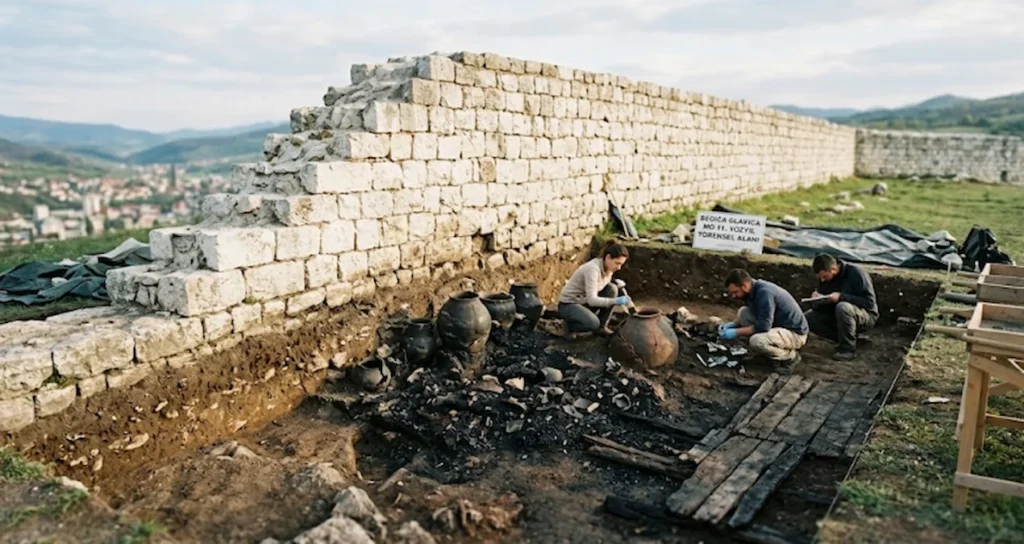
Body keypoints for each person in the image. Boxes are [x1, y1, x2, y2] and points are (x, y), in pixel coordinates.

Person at [719, 269, 808, 369]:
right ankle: (765, 349)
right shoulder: (753, 290)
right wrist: (734, 324)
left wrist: (736, 332)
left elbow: (763, 326)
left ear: (744, 286)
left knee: (757, 341)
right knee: (743, 312)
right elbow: (759, 316)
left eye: (735, 292)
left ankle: (790, 356)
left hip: (795, 334)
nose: (734, 296)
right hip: (776, 324)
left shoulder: (764, 293)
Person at [804, 253, 878, 361]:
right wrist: (817, 300)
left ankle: (847, 349)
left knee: (843, 307)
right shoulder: (825, 279)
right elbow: (821, 309)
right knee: (807, 318)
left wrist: (841, 297)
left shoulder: (856, 273)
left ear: (833, 269)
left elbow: (869, 303)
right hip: (836, 314)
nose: (823, 280)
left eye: (825, 276)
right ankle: (848, 339)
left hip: (864, 315)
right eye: (820, 277)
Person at [558, 241, 633, 336]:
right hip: (569, 304)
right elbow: (592, 300)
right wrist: (615, 301)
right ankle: (566, 326)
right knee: (593, 323)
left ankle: (602, 327)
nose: (619, 268)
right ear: (608, 257)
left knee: (612, 289)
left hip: (583, 301)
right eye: (617, 263)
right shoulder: (592, 269)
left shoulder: (608, 268)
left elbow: (602, 285)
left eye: (621, 264)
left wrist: (616, 284)